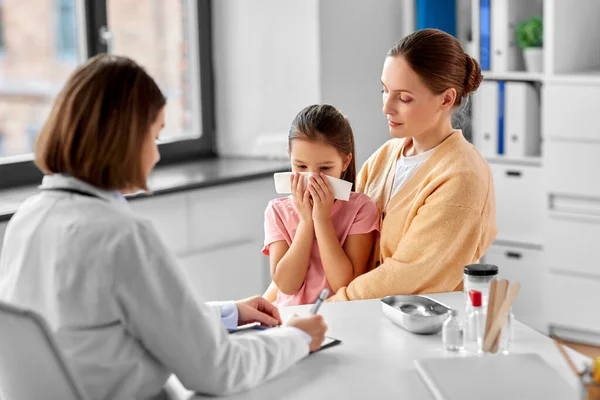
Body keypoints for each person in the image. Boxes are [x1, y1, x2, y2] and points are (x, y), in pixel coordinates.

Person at [0, 54, 327, 399]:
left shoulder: (29, 218)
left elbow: (100, 328)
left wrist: (229, 313)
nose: (156, 156)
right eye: (154, 137)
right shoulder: (121, 236)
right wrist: (298, 338)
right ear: (126, 139)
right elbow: (220, 370)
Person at [328, 28, 497, 302]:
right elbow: (342, 232)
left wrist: (329, 307)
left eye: (404, 98)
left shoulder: (462, 176)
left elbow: (406, 274)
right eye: (384, 91)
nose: (387, 107)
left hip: (419, 332)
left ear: (446, 99)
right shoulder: (385, 157)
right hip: (362, 318)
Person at [262, 105, 379, 306]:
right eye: (300, 166)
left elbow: (344, 284)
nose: (313, 177)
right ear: (290, 158)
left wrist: (322, 220)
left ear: (345, 162)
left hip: (339, 315)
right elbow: (286, 285)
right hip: (289, 319)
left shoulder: (361, 209)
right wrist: (306, 222)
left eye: (324, 168)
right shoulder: (277, 211)